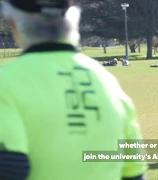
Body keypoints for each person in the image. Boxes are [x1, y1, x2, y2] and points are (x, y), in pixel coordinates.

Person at [0, 0, 147, 179]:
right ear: (73, 21)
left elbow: (9, 167)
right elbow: (134, 172)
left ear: (12, 23)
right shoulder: (107, 81)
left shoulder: (5, 82)